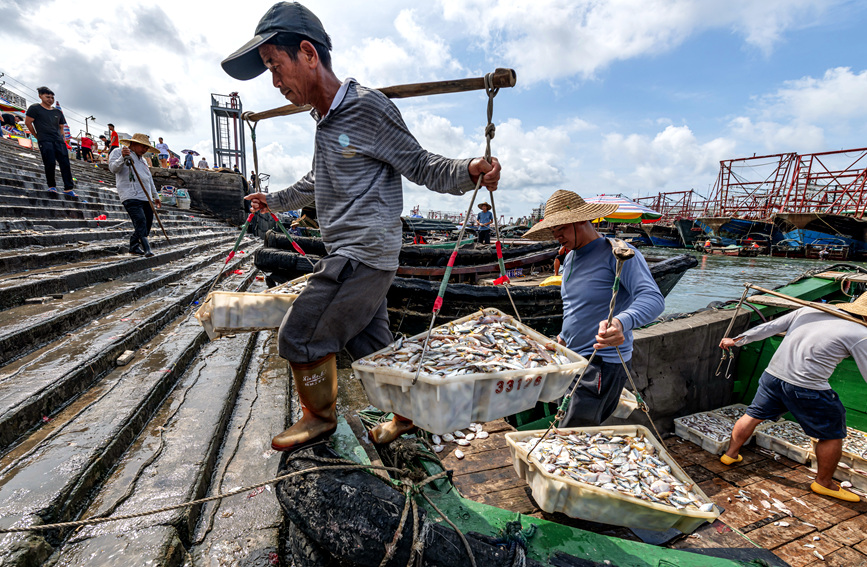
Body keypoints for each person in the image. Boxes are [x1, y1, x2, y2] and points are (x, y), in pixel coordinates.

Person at [222, 1, 500, 450]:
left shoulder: (369, 108)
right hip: (354, 254)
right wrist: (271, 200)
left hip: (362, 255)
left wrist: (470, 169)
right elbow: (316, 182)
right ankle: (406, 416)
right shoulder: (325, 121)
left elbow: (420, 163)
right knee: (379, 352)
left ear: (308, 54)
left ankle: (320, 417)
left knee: (300, 334)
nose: (275, 83)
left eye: (276, 66)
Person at [522, 190, 664, 426]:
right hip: (571, 359)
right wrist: (564, 337)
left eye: (562, 230)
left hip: (601, 364)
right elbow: (576, 306)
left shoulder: (618, 254)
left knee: (573, 434)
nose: (558, 237)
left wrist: (620, 322)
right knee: (567, 425)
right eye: (554, 232)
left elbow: (653, 298)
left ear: (581, 221)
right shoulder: (570, 257)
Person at [718, 294, 867, 502]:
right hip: (808, 388)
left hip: (773, 376)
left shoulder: (809, 310)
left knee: (753, 414)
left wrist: (736, 340)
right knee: (832, 433)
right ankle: (824, 483)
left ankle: (730, 454)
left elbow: (769, 327)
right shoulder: (860, 333)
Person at [109, 133, 162, 258]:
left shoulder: (143, 161)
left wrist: (156, 196)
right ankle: (147, 248)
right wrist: (123, 157)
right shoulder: (118, 152)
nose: (145, 150)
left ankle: (134, 245)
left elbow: (149, 179)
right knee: (140, 221)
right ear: (133, 143)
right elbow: (113, 168)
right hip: (130, 195)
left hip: (146, 197)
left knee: (148, 223)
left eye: (147, 148)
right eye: (143, 146)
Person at [24, 86, 77, 197]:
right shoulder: (35, 108)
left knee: (65, 164)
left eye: (52, 97)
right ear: (40, 96)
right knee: (50, 163)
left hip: (58, 140)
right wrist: (36, 136)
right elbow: (28, 123)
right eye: (47, 97)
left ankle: (68, 188)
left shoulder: (57, 112)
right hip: (45, 140)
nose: (50, 99)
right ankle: (52, 186)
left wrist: (62, 139)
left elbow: (61, 127)